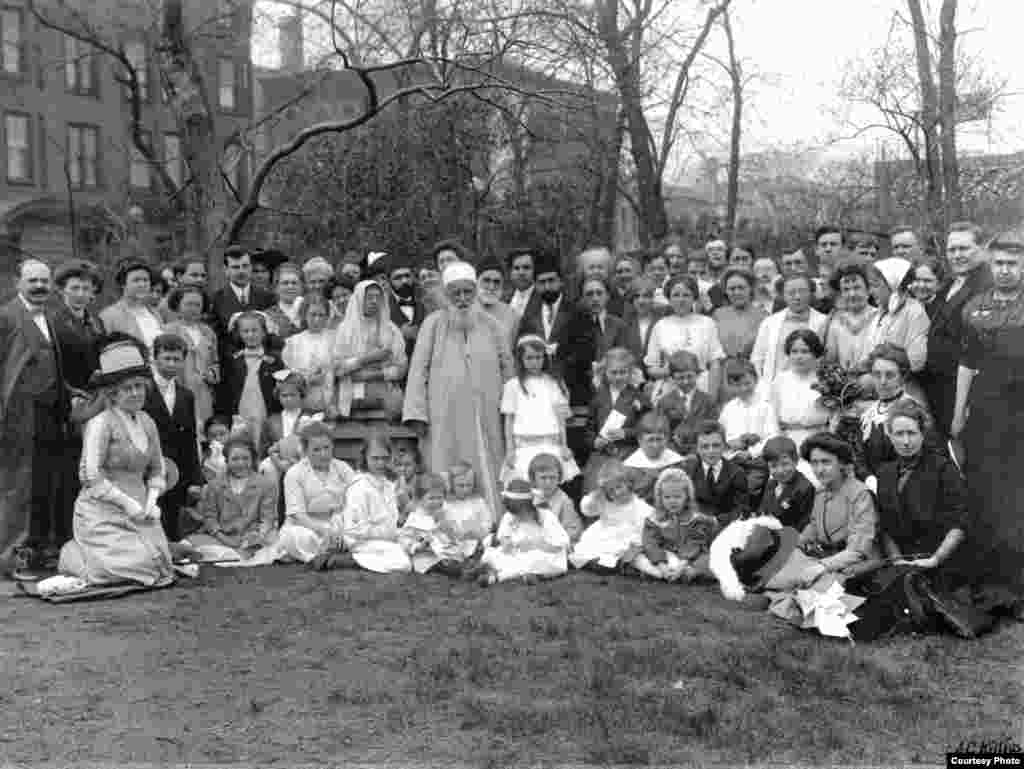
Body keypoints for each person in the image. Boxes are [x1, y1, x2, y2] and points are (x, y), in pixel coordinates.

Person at [853, 399, 1022, 638]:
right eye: (899, 433)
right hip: (906, 559)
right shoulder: (886, 472)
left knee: (916, 599)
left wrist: (935, 559)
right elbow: (886, 525)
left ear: (923, 434)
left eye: (911, 433)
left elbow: (960, 523)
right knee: (865, 591)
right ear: (889, 435)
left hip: (945, 559)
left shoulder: (943, 470)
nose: (906, 441)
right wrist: (897, 560)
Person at [57, 338, 175, 586]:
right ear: (112, 393)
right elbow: (90, 476)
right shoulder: (100, 424)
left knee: (159, 563)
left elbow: (157, 469)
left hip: (141, 511)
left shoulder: (147, 422)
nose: (135, 393)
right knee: (136, 565)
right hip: (103, 510)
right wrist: (126, 503)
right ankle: (74, 554)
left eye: (139, 387)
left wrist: (152, 501)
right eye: (127, 388)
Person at [403, 263, 513, 516]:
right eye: (456, 294)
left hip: (486, 414)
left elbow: (508, 370)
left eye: (467, 292)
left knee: (488, 467)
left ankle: (490, 521)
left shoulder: (492, 325)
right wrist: (416, 413)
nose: (462, 299)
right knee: (445, 466)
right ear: (446, 294)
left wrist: (512, 412)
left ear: (475, 292)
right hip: (445, 414)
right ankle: (445, 525)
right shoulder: (433, 324)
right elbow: (418, 369)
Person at [953, 228, 1024, 586]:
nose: (1005, 270)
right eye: (999, 263)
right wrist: (957, 415)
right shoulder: (974, 306)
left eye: (1012, 263)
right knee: (985, 488)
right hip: (986, 411)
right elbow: (967, 363)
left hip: (1022, 413)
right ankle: (992, 573)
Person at [0, 259, 72, 577]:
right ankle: (10, 556)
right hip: (18, 415)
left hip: (50, 414)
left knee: (45, 483)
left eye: (45, 280)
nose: (40, 286)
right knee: (19, 486)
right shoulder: (5, 317)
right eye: (33, 281)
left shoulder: (52, 318)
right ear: (18, 282)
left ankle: (39, 550)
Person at [924, 222, 993, 436]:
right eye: (951, 250)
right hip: (938, 388)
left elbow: (980, 353)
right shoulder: (948, 283)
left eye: (964, 248)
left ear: (982, 249)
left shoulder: (988, 287)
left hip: (966, 394)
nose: (956, 255)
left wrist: (962, 409)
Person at [851, 344, 941, 489]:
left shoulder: (915, 412)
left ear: (903, 376)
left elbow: (931, 463)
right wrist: (869, 480)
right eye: (877, 374)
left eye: (890, 375)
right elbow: (859, 458)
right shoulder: (868, 415)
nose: (882, 381)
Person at [797, 432, 879, 584]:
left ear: (841, 463)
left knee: (815, 590)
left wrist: (822, 566)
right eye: (814, 463)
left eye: (826, 462)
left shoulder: (859, 494)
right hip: (828, 560)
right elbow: (814, 528)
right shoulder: (821, 492)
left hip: (859, 567)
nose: (819, 469)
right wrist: (795, 543)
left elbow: (858, 550)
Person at [144, 333, 201, 542]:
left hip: (176, 470)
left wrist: (195, 477)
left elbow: (190, 437)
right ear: (155, 358)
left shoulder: (186, 395)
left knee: (171, 522)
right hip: (146, 467)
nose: (171, 363)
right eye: (166, 358)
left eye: (177, 359)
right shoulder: (142, 389)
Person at [325, 433, 411, 573]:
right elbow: (356, 530)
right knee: (403, 564)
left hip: (385, 539)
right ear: (365, 457)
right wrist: (390, 533)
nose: (380, 463)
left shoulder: (388, 484)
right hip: (362, 542)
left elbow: (391, 519)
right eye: (375, 458)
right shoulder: (360, 486)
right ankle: (348, 561)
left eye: (384, 458)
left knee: (412, 548)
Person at [273, 422, 356, 563]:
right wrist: (323, 530)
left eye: (327, 448)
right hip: (306, 526)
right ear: (305, 451)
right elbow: (298, 515)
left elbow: (354, 503)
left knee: (358, 531)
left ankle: (328, 552)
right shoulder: (294, 473)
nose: (323, 454)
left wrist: (339, 528)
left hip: (338, 523)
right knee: (293, 537)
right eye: (316, 450)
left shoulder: (343, 468)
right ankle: (332, 554)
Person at [186, 435, 278, 564]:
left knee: (274, 542)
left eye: (245, 458)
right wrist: (225, 539)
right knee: (189, 543)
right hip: (223, 538)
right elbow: (210, 518)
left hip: (254, 538)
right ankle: (232, 554)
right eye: (235, 459)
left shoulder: (266, 484)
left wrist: (257, 536)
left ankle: (240, 555)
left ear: (253, 460)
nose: (241, 463)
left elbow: (267, 518)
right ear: (227, 461)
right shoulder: (215, 485)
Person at [501, 335, 579, 484]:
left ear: (545, 358)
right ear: (521, 359)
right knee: (525, 485)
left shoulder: (553, 382)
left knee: (550, 484)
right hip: (524, 446)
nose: (534, 362)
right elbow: (509, 420)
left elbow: (560, 417)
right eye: (529, 358)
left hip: (550, 443)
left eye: (538, 357)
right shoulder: (513, 385)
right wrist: (509, 450)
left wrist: (564, 445)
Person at [331, 279, 407, 419]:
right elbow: (336, 368)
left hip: (384, 397)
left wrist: (372, 375)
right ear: (359, 298)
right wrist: (368, 359)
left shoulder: (390, 329)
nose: (374, 301)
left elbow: (401, 368)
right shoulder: (344, 329)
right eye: (369, 297)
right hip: (350, 398)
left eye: (378, 297)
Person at [477, 479, 570, 585]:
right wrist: (506, 542)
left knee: (538, 561)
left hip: (543, 552)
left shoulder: (545, 517)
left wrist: (535, 545)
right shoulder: (509, 517)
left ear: (531, 506)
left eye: (521, 514)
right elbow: (504, 535)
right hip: (517, 554)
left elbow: (559, 545)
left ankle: (503, 576)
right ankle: (496, 574)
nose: (518, 517)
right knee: (492, 555)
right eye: (515, 514)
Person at [581, 347, 650, 491]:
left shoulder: (639, 397)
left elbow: (649, 429)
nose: (618, 377)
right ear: (605, 373)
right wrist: (594, 442)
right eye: (613, 372)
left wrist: (626, 433)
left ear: (630, 373)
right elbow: (589, 428)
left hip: (629, 453)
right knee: (594, 489)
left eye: (622, 372)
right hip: (602, 455)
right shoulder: (598, 397)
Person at [645, 276, 725, 398]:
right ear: (669, 298)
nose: (681, 300)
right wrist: (669, 371)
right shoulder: (661, 325)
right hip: (670, 390)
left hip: (701, 389)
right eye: (676, 295)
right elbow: (651, 367)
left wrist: (712, 396)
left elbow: (715, 362)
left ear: (694, 297)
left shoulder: (707, 323)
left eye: (686, 295)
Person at [632, 467, 717, 582]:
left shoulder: (696, 520)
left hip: (690, 557)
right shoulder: (654, 520)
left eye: (677, 497)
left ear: (686, 497)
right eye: (667, 497)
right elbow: (651, 543)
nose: (672, 501)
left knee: (708, 561)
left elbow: (694, 544)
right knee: (636, 553)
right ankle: (661, 572)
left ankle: (685, 573)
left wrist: (681, 566)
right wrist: (662, 566)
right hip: (666, 555)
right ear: (660, 498)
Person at [217, 311, 284, 451]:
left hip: (266, 413)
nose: (250, 335)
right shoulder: (233, 360)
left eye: (255, 330)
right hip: (241, 414)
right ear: (239, 334)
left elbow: (280, 389)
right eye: (245, 331)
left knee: (265, 446)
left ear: (264, 332)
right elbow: (227, 391)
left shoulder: (274, 360)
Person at [750, 274, 828, 393]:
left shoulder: (824, 322)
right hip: (774, 390)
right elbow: (757, 359)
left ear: (811, 293)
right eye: (791, 293)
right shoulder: (770, 323)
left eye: (802, 291)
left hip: (811, 390)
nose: (797, 297)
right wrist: (762, 386)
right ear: (783, 296)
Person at [571, 461, 652, 571]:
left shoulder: (638, 506)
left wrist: (635, 544)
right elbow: (587, 511)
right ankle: (592, 562)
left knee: (615, 551)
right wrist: (594, 497)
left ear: (628, 484)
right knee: (587, 547)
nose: (616, 493)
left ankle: (606, 564)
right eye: (611, 491)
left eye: (619, 487)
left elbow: (642, 529)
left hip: (625, 537)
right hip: (604, 533)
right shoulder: (605, 502)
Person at [718, 358, 775, 503]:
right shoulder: (729, 408)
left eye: (747, 383)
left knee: (748, 488)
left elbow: (771, 436)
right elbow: (721, 436)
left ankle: (746, 512)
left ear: (755, 380)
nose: (743, 389)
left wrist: (751, 453)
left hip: (757, 461)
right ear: (730, 385)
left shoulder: (765, 407)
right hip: (732, 459)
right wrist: (732, 444)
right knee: (724, 487)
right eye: (737, 385)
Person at [865, 258, 930, 384]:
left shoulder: (914, 312)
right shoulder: (880, 312)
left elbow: (917, 362)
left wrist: (889, 355)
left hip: (902, 386)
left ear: (893, 285)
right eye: (870, 285)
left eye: (876, 285)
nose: (871, 291)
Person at [164, 286, 219, 432]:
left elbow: (215, 362)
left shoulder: (208, 332)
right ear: (178, 305)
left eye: (197, 305)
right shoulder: (168, 330)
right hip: (178, 391)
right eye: (188, 304)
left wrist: (212, 374)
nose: (193, 309)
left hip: (204, 394)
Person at [768, 329, 831, 453]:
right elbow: (772, 417)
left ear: (815, 353)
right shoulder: (781, 380)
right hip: (788, 441)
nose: (799, 357)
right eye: (794, 352)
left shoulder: (824, 380)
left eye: (805, 351)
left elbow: (834, 416)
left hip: (820, 441)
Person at [211, 246, 276, 360]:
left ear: (250, 267)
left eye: (245, 266)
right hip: (229, 365)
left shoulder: (268, 298)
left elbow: (272, 335)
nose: (241, 271)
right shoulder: (215, 300)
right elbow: (215, 338)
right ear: (226, 270)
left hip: (262, 364)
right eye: (235, 267)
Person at [683, 420, 749, 526]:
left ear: (724, 446)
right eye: (705, 446)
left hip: (725, 528)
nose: (711, 451)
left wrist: (716, 520)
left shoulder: (736, 473)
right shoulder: (689, 471)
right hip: (694, 527)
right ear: (697, 448)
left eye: (716, 445)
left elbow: (742, 510)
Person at [654, 350, 718, 458]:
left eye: (689, 376)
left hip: (702, 453)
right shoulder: (664, 402)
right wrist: (673, 452)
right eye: (680, 378)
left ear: (697, 374)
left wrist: (695, 452)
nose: (685, 382)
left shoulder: (707, 401)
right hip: (671, 454)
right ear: (672, 378)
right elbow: (660, 432)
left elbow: (712, 431)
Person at [282, 293, 335, 413]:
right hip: (301, 405)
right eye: (313, 315)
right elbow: (287, 379)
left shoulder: (335, 339)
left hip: (330, 404)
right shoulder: (293, 342)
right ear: (304, 315)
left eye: (321, 315)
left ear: (327, 316)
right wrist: (307, 380)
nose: (317, 319)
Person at [825, 262, 880, 372]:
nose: (852, 294)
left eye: (857, 288)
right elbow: (830, 361)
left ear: (869, 290)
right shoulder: (836, 322)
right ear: (841, 294)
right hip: (844, 384)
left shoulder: (880, 317)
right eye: (846, 289)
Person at [99, 260, 165, 352]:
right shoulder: (109, 315)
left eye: (145, 280)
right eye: (136, 280)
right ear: (123, 284)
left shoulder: (154, 313)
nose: (142, 285)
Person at [623, 413, 685, 505]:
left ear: (667, 439)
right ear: (640, 440)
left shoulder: (678, 464)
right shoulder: (627, 469)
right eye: (650, 440)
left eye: (659, 439)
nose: (655, 445)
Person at [757, 436, 815, 530]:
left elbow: (805, 525)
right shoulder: (771, 484)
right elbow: (762, 513)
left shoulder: (805, 488)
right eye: (773, 466)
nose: (780, 470)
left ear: (796, 461)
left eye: (785, 464)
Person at [529, 453, 583, 545]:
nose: (548, 482)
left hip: (555, 543)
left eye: (553, 477)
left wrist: (556, 539)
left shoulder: (564, 500)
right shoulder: (528, 497)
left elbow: (573, 529)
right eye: (543, 478)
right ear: (533, 479)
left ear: (559, 478)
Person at [713, 269, 767, 359]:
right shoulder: (718, 315)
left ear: (751, 289)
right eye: (732, 289)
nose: (736, 292)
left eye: (741, 288)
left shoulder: (764, 317)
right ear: (725, 291)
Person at [475, 258, 520, 351]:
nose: (491, 287)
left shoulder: (512, 315)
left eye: (496, 282)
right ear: (476, 281)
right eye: (486, 280)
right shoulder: (463, 310)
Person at [622, 277, 665, 370]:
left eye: (646, 296)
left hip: (658, 373)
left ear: (653, 298)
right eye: (637, 296)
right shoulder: (625, 323)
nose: (641, 301)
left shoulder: (662, 321)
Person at [265, 263, 305, 341]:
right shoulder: (268, 316)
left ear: (301, 287)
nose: (290, 286)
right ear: (276, 287)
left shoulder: (310, 311)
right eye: (285, 283)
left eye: (294, 283)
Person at [505, 247, 536, 317]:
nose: (521, 273)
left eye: (526, 267)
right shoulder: (503, 299)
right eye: (516, 268)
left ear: (535, 270)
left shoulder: (543, 300)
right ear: (510, 272)